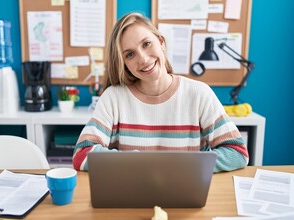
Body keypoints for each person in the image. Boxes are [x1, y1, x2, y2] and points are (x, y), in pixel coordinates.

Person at [72, 12, 248, 172]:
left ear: (161, 42)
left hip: (185, 198)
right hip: (131, 199)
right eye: (130, 55)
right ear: (123, 63)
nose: (143, 58)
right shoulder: (114, 97)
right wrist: (138, 162)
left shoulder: (199, 94)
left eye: (146, 44)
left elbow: (237, 153)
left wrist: (177, 166)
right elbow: (81, 154)